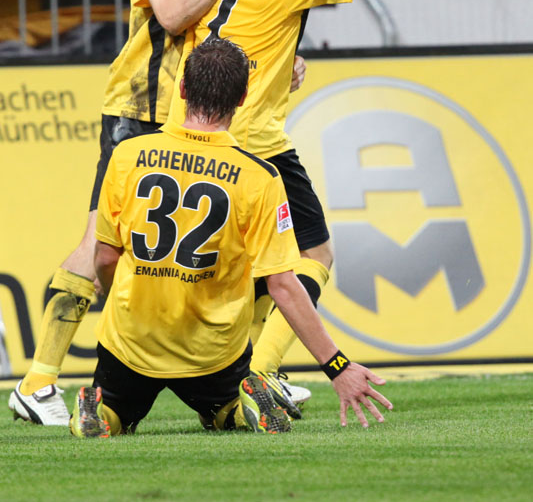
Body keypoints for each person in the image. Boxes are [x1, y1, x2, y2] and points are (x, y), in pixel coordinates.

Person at [137, 0, 525, 391]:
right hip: (252, 143)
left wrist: (284, 59)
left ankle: (234, 372)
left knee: (243, 271)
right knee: (313, 254)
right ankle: (258, 374)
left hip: (189, 132)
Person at [9, 0, 306, 426]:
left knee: (240, 245)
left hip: (199, 111)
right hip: (142, 106)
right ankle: (37, 382)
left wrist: (283, 54)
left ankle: (251, 375)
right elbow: (170, 14)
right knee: (99, 242)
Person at [69, 38, 393, 438]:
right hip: (212, 351)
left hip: (132, 341)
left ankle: (101, 412)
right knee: (224, 413)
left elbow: (105, 256)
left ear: (182, 90)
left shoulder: (128, 156)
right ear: (242, 98)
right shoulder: (260, 177)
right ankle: (240, 408)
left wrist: (117, 295)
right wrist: (337, 366)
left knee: (118, 414)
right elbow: (283, 284)